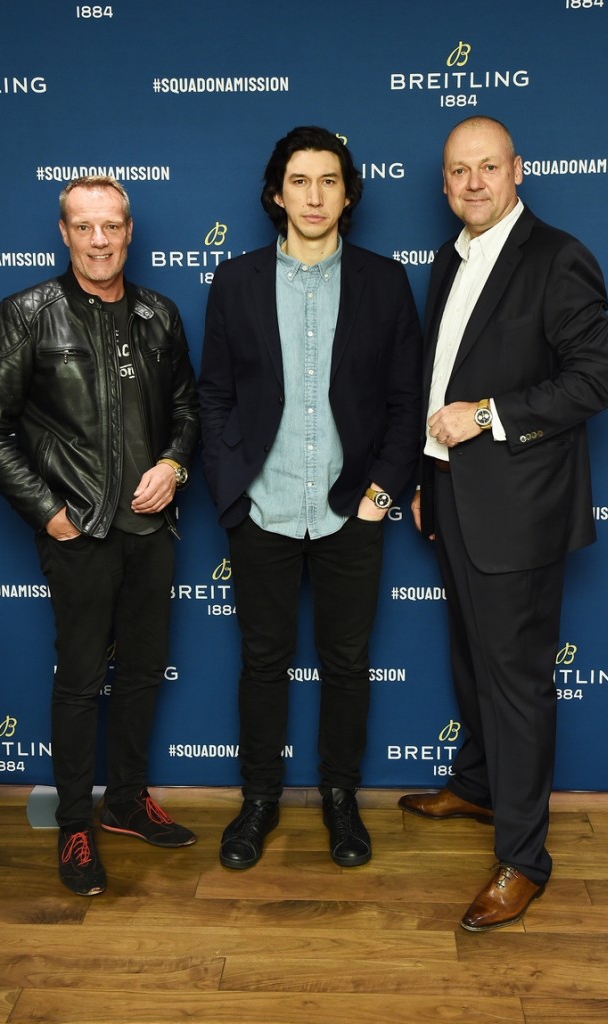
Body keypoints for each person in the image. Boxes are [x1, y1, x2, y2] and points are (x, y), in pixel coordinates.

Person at [399, 116, 608, 930]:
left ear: (516, 171)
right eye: (458, 171)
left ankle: (523, 859)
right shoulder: (447, 258)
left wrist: (488, 415)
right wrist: (427, 473)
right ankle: (477, 785)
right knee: (469, 657)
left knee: (517, 685)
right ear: (445, 182)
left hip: (520, 513)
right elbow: (437, 378)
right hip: (452, 497)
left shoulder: (557, 257)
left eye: (487, 168)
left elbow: (596, 378)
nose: (473, 183)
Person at [0, 175, 200, 896]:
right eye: (85, 227)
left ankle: (125, 800)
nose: (100, 240)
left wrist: (173, 464)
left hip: (151, 531)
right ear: (64, 233)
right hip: (79, 535)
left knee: (140, 672)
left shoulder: (160, 314)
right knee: (78, 682)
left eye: (113, 226)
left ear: (130, 231)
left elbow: (189, 409)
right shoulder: (27, 313)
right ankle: (74, 823)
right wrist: (47, 510)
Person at [199, 125, 422, 870]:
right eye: (300, 180)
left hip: (348, 509)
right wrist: (232, 485)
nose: (314, 195)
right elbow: (215, 396)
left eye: (329, 180)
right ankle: (257, 800)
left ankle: (338, 799)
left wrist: (380, 494)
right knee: (261, 662)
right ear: (275, 193)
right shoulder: (233, 282)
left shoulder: (383, 282)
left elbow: (403, 401)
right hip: (261, 509)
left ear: (348, 192)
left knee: (346, 665)